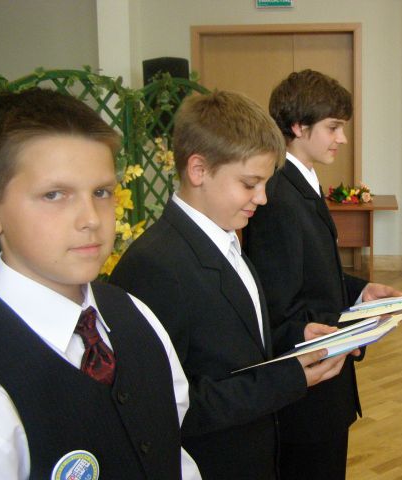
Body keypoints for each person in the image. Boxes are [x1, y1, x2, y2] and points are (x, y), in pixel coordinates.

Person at [109, 90, 349, 479]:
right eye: (250, 183)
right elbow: (170, 407)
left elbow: (238, 344)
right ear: (198, 170)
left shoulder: (227, 239)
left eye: (265, 184)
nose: (263, 199)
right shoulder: (154, 266)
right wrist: (286, 380)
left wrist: (296, 335)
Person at [0, 88, 201, 479]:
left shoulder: (135, 316)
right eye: (54, 194)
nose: (91, 218)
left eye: (102, 192)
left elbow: (173, 453)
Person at [243, 69, 402, 479]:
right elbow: (280, 307)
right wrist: (348, 331)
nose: (341, 138)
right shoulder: (278, 197)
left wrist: (361, 292)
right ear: (299, 127)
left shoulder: (303, 182)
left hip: (326, 386)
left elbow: (315, 275)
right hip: (307, 397)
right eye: (333, 127)